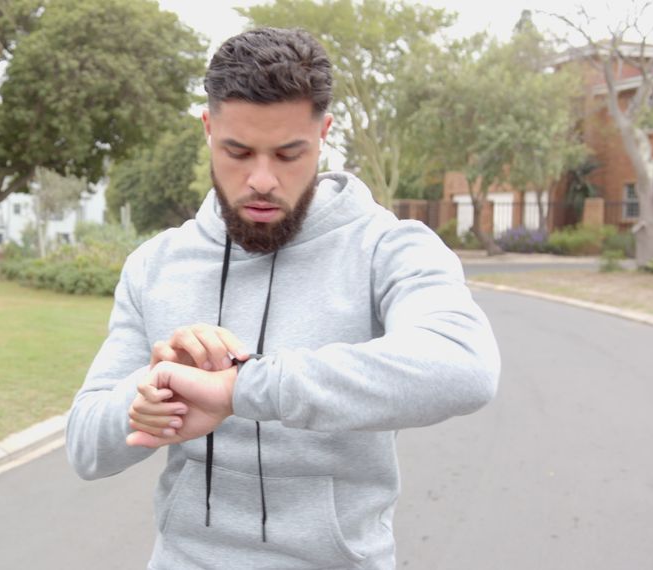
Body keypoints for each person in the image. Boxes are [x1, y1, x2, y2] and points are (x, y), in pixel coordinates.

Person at [65, 27, 500, 570]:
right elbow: (84, 447)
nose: (262, 180)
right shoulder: (155, 266)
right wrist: (152, 395)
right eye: (238, 151)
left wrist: (243, 388)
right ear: (207, 129)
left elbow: (465, 364)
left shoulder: (388, 246)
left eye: (289, 153)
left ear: (323, 135)